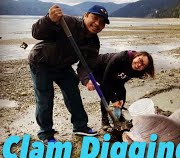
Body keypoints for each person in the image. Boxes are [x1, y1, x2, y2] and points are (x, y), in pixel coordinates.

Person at [28, 4, 110, 142]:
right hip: (41, 62)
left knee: (73, 92)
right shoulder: (66, 22)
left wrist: (86, 80)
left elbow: (86, 65)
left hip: (63, 66)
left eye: (102, 22)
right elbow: (36, 33)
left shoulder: (94, 42)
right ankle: (46, 134)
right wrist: (49, 20)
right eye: (94, 18)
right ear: (85, 16)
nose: (97, 24)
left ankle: (80, 127)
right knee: (45, 99)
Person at [83, 51, 155, 129]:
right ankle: (105, 120)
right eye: (140, 60)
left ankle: (119, 115)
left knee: (122, 94)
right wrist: (114, 100)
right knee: (106, 94)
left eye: (143, 65)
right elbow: (106, 80)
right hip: (100, 70)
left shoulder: (137, 71)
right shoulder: (121, 57)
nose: (138, 65)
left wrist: (120, 99)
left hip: (114, 74)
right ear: (137, 55)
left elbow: (121, 81)